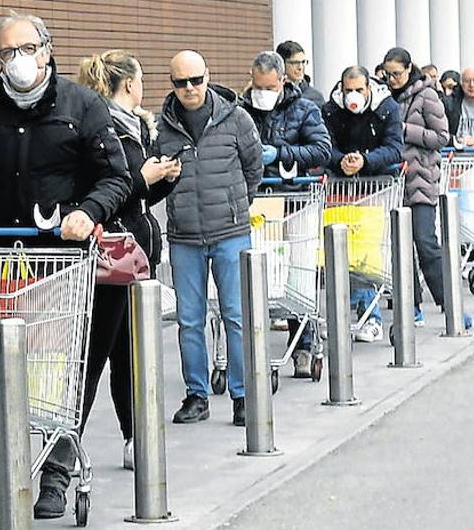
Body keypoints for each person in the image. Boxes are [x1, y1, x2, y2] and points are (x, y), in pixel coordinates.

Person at [0, 11, 130, 519]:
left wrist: (87, 214)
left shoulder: (83, 106)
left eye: (25, 49)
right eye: (6, 53)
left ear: (46, 49)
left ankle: (55, 473)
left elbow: (116, 177)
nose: (16, 61)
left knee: (61, 368)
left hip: (60, 262)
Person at [76, 49, 179, 470]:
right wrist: (143, 178)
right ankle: (62, 453)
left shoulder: (136, 127)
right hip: (108, 255)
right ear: (131, 84)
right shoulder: (101, 129)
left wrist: (165, 179)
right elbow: (108, 190)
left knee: (130, 354)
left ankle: (134, 435)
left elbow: (136, 195)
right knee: (93, 355)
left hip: (136, 254)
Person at [156, 50, 263, 426]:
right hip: (184, 235)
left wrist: (239, 204)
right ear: (171, 84)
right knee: (189, 319)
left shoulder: (237, 119)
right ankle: (196, 395)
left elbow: (254, 167)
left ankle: (243, 395)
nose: (189, 89)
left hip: (230, 232)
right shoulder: (162, 127)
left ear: (207, 76)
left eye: (195, 80)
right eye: (180, 82)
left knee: (236, 315)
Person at [241, 50, 331, 377]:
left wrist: (280, 153)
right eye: (257, 86)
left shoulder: (304, 109)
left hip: (295, 201)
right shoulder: (241, 111)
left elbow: (322, 150)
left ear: (282, 80)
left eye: (268, 87)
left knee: (297, 277)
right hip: (258, 205)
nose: (261, 93)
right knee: (260, 278)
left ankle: (303, 346)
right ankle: (252, 348)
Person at [322, 65, 404, 343]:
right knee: (343, 255)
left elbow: (395, 147)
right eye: (348, 90)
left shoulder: (387, 108)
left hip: (375, 188)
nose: (353, 95)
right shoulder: (330, 111)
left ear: (369, 88)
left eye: (359, 89)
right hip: (340, 190)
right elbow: (325, 146)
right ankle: (343, 315)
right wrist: (340, 161)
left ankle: (371, 317)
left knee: (367, 255)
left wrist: (365, 161)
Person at [382, 47, 450, 325]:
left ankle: (448, 302)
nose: (392, 79)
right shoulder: (384, 98)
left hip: (421, 180)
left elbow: (441, 136)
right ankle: (412, 304)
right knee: (399, 248)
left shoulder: (428, 95)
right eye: (387, 74)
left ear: (409, 69)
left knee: (425, 243)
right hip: (394, 182)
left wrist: (406, 131)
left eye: (396, 74)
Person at [276, 40, 325, 105]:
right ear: (282, 64)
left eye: (303, 62)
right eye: (295, 63)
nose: (300, 67)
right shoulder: (274, 95)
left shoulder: (316, 97)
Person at [447, 67, 474, 145]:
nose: (471, 85)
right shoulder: (449, 103)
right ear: (461, 83)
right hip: (456, 153)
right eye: (467, 81)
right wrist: (456, 141)